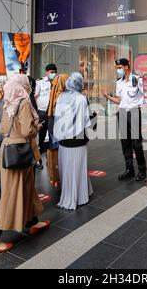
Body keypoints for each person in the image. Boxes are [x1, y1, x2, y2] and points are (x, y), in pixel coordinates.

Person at [0, 74, 50, 254]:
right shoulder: (24, 102)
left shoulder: (8, 103)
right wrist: (38, 126)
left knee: (26, 189)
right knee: (11, 194)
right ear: (23, 86)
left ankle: (34, 223)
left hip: (8, 149)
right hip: (21, 152)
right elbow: (27, 130)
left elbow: (2, 129)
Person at [102, 58, 147, 182]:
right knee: (125, 143)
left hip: (133, 112)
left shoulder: (138, 80)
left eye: (119, 67)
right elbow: (119, 100)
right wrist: (108, 97)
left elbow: (146, 96)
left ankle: (142, 170)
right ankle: (129, 170)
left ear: (126, 67)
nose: (118, 70)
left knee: (136, 144)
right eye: (117, 68)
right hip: (121, 113)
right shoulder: (119, 82)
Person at [54, 73, 93, 210]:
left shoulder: (60, 97)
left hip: (63, 140)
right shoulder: (82, 99)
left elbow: (57, 118)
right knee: (79, 167)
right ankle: (81, 195)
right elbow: (88, 122)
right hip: (78, 139)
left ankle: (70, 194)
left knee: (66, 168)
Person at [47, 74, 69, 189]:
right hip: (61, 130)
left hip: (53, 127)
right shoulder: (62, 96)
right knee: (60, 153)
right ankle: (60, 176)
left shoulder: (54, 93)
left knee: (54, 151)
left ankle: (55, 177)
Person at [35, 64, 58, 154]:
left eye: (55, 72)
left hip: (52, 113)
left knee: (52, 134)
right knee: (41, 134)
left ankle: (52, 155)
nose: (54, 74)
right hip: (42, 113)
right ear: (47, 72)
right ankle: (39, 153)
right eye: (52, 72)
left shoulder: (57, 82)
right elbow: (36, 96)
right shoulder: (40, 82)